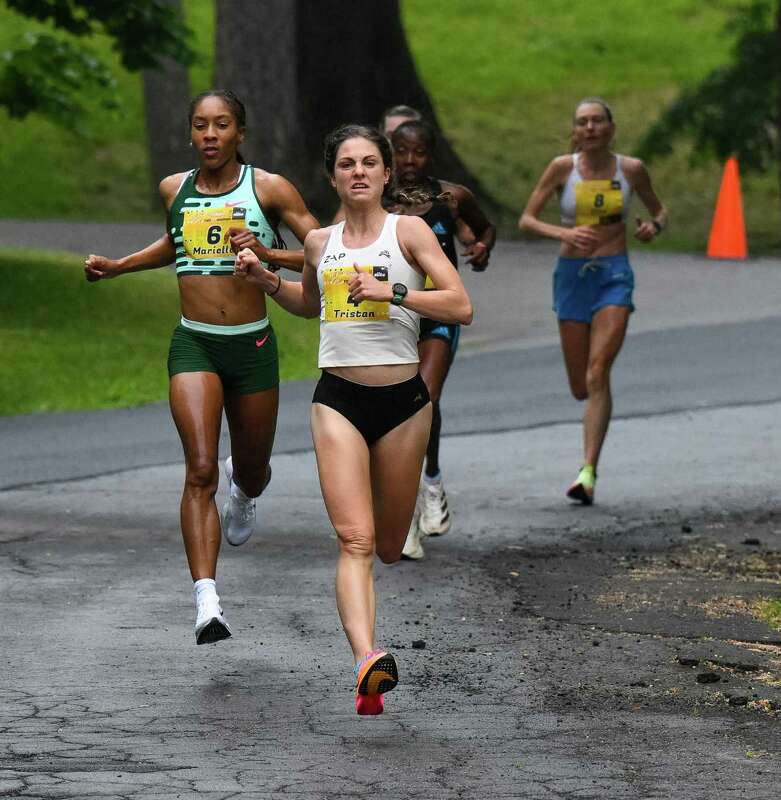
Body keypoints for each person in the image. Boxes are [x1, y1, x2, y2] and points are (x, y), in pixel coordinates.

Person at [234, 124, 471, 714]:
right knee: (355, 539)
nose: (359, 172)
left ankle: (370, 648)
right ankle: (368, 658)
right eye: (347, 164)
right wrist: (269, 282)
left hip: (404, 403)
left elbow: (460, 304)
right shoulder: (321, 243)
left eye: (370, 162)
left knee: (389, 545)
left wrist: (391, 294)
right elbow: (311, 304)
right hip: (337, 397)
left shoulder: (408, 231)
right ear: (333, 176)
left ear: (387, 174)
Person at [83, 90, 319, 644]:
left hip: (252, 345)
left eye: (222, 125)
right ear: (191, 133)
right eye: (200, 126)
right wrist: (121, 266)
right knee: (199, 467)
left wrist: (266, 251)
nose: (210, 135)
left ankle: (246, 486)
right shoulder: (175, 189)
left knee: (252, 470)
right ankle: (207, 601)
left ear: (240, 133)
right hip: (195, 345)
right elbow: (175, 242)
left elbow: (325, 247)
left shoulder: (270, 188)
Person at [518, 97, 667, 505]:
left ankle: (587, 472)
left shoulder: (631, 169)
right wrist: (563, 234)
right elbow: (526, 219)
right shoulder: (562, 168)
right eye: (583, 122)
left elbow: (660, 211)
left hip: (614, 275)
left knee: (598, 371)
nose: (590, 128)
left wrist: (652, 226)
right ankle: (589, 446)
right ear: (575, 130)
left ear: (611, 127)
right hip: (571, 278)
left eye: (597, 121)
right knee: (580, 385)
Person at [388, 120, 495, 554]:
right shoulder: (379, 198)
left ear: (431, 155)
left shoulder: (451, 198)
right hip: (392, 312)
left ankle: (428, 487)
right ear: (390, 151)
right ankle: (405, 505)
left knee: (424, 400)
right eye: (402, 152)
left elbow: (486, 228)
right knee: (397, 408)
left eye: (419, 153)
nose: (410, 162)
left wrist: (482, 249)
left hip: (437, 315)